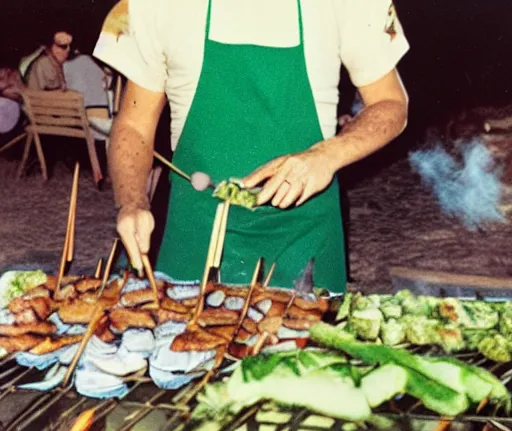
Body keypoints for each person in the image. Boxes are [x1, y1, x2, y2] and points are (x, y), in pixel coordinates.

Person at [94, 0, 409, 292]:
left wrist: (326, 155)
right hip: (195, 232)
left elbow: (391, 103)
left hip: (306, 237)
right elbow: (134, 123)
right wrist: (132, 202)